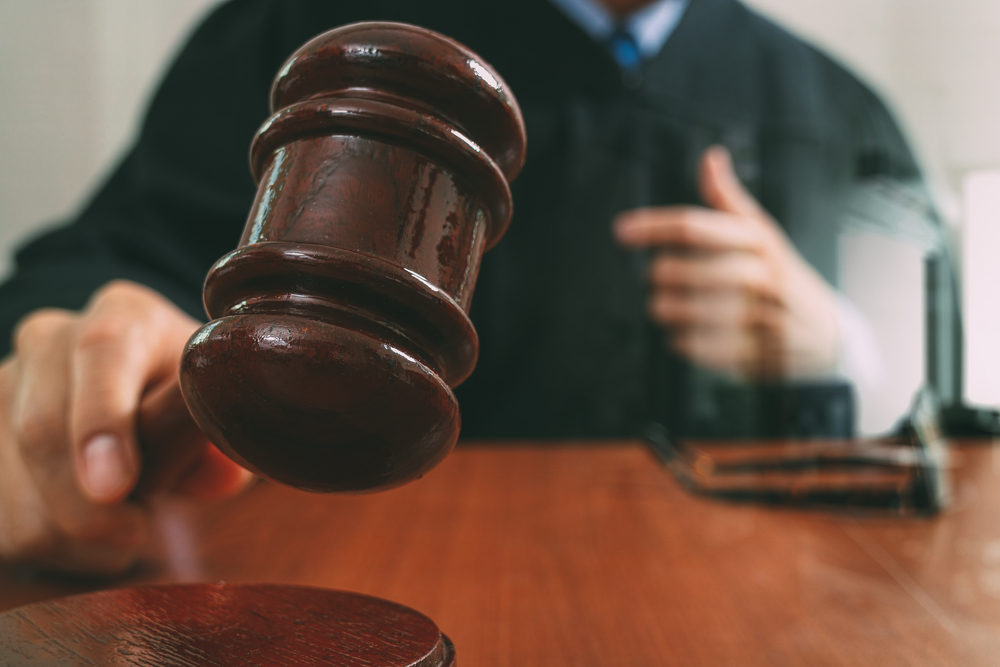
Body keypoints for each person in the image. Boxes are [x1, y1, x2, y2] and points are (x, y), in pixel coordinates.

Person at [0, 0, 935, 573]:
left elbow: (942, 393)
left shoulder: (841, 112)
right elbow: (110, 256)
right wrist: (72, 358)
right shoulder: (308, 29)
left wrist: (842, 345)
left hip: (742, 608)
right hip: (336, 583)